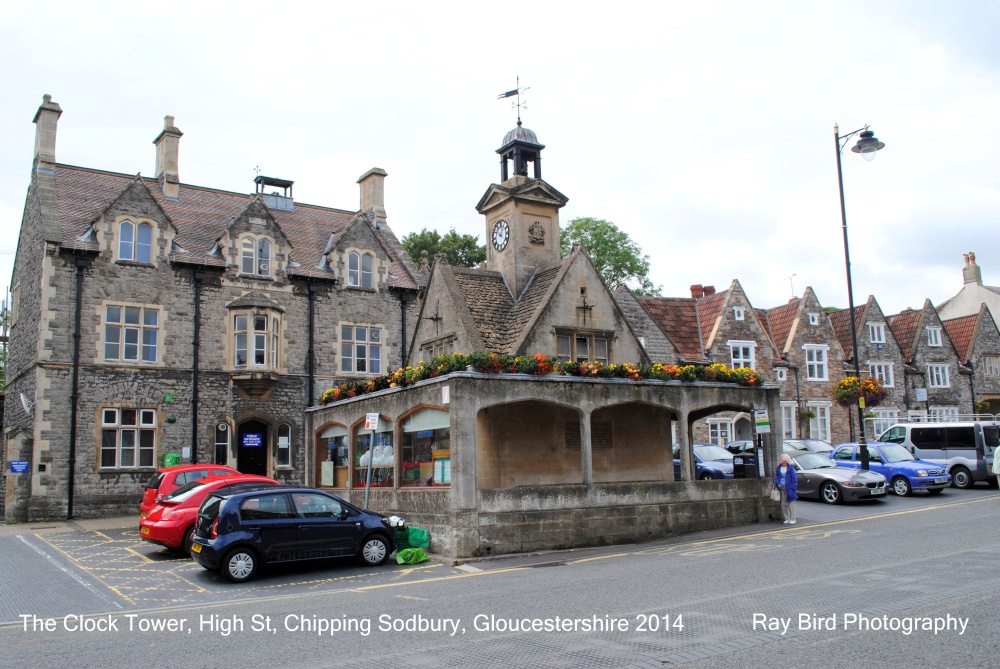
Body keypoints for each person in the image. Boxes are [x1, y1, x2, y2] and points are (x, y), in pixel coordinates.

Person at [775, 453, 798, 525]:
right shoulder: (778, 468)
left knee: (791, 504)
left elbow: (794, 479)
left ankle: (793, 518)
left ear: (785, 460)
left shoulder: (791, 469)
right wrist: (778, 483)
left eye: (781, 459)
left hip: (789, 489)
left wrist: (792, 488)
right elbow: (777, 477)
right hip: (782, 488)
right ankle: (787, 518)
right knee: (783, 504)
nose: (780, 460)